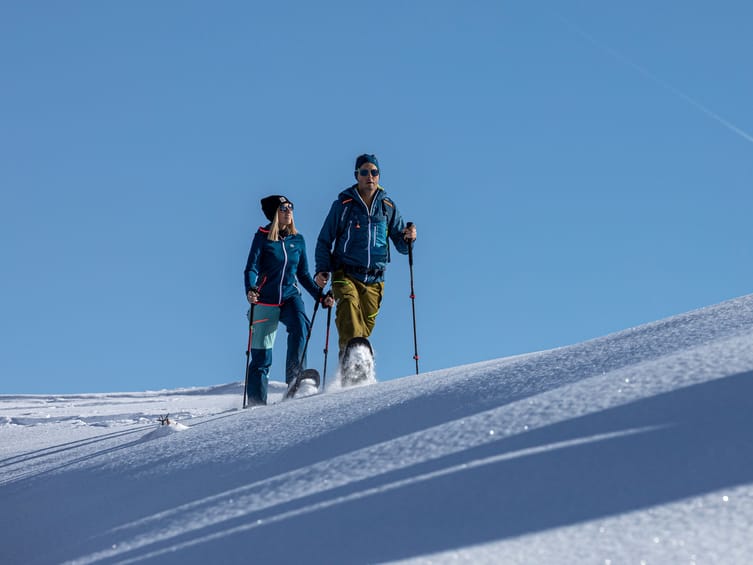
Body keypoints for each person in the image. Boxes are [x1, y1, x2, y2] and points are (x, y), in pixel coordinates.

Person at [315, 154, 417, 358]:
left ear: (379, 176)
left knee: (364, 330)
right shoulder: (344, 205)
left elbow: (401, 246)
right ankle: (352, 360)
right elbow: (324, 239)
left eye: (374, 172)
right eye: (364, 172)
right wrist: (322, 269)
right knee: (348, 311)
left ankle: (352, 369)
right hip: (346, 273)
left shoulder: (387, 207)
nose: (369, 176)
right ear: (357, 176)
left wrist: (409, 238)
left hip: (375, 279)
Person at [243, 195, 333, 406]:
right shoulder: (262, 237)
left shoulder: (298, 240)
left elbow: (303, 275)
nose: (288, 211)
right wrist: (250, 290)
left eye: (291, 207)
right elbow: (251, 268)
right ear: (274, 213)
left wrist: (321, 297)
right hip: (265, 301)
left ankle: (296, 379)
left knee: (301, 325)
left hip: (290, 297)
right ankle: (256, 404)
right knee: (262, 358)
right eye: (283, 208)